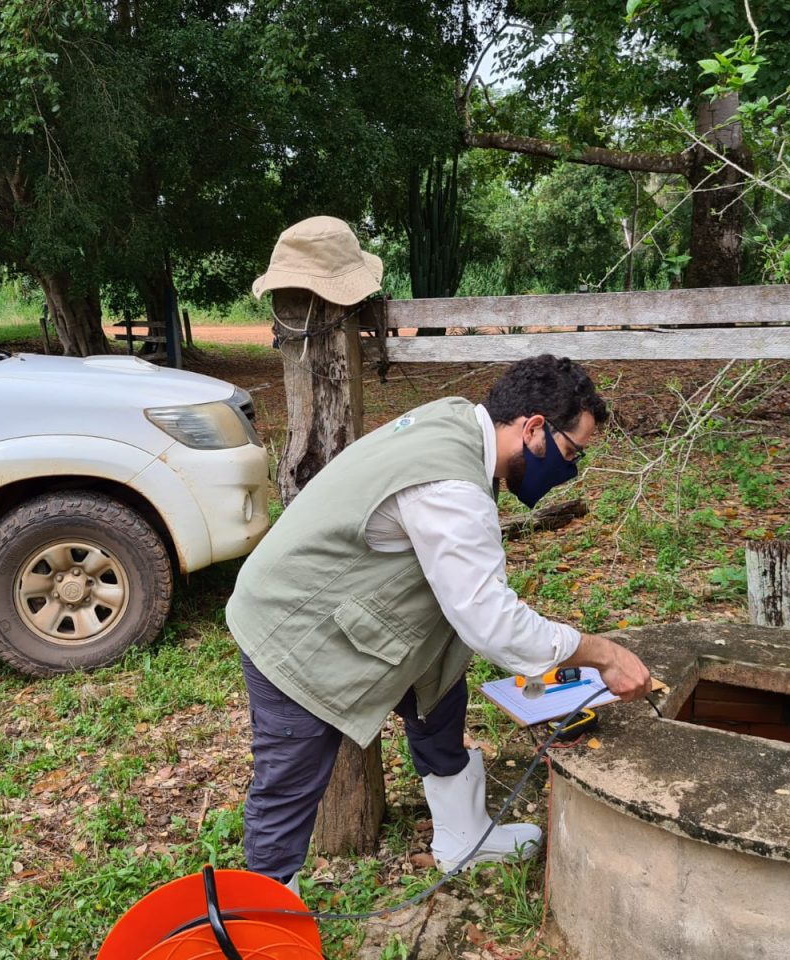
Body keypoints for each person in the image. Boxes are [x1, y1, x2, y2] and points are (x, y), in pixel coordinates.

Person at [227, 354, 651, 891]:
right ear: (535, 427)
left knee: (439, 694)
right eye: (572, 453)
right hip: (293, 623)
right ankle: (260, 917)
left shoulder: (459, 420)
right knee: (290, 778)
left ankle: (461, 837)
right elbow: (495, 626)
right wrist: (604, 654)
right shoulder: (451, 487)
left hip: (363, 602)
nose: (571, 471)